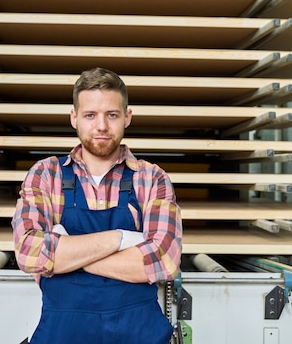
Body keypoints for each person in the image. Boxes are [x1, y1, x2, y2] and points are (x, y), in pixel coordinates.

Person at [12, 67, 183, 344]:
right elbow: (29, 254)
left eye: (111, 115)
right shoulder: (46, 175)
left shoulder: (152, 178)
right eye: (90, 115)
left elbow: (162, 262)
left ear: (127, 117)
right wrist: (122, 239)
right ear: (74, 118)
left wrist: (66, 254)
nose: (101, 126)